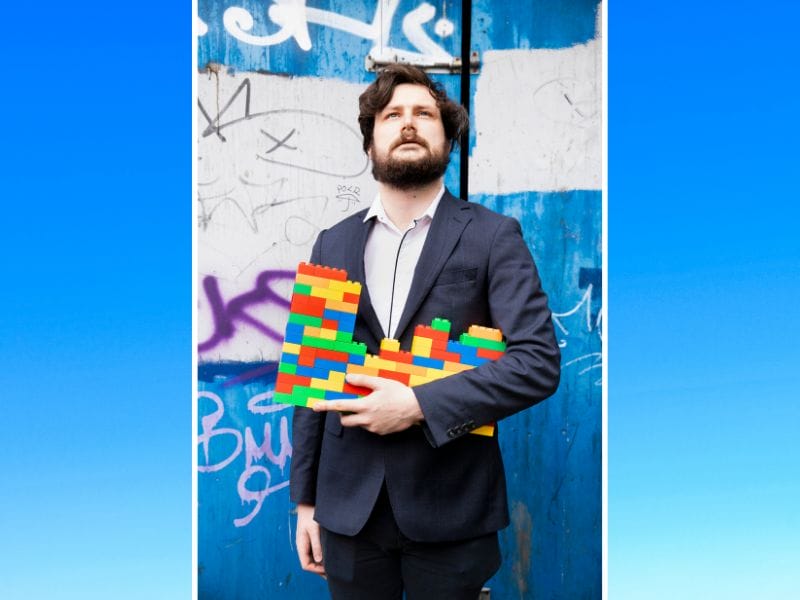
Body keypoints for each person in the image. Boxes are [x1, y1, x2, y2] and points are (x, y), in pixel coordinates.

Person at [290, 63, 561, 599]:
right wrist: (305, 502)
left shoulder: (491, 236)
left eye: (424, 114)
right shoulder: (332, 244)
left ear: (448, 137)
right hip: (349, 512)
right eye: (392, 116)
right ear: (370, 143)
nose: (408, 123)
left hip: (452, 504)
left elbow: (538, 363)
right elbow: (312, 378)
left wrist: (417, 404)